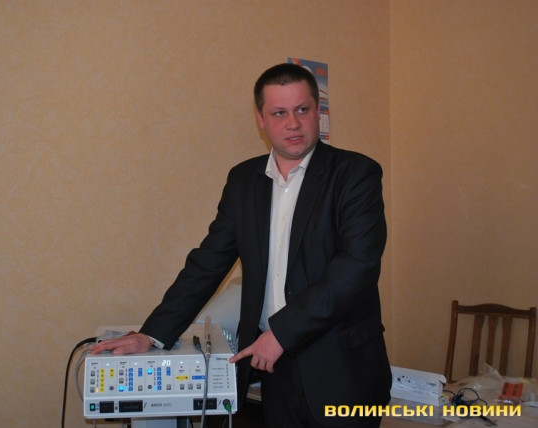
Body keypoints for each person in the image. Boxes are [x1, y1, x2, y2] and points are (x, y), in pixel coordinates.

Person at [91, 63, 391, 427]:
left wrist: (282, 333)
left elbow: (355, 269)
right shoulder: (244, 181)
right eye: (279, 113)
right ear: (261, 120)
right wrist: (152, 334)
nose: (293, 123)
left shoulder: (355, 174)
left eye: (302, 109)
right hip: (274, 368)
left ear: (318, 111)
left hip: (342, 369)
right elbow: (208, 262)